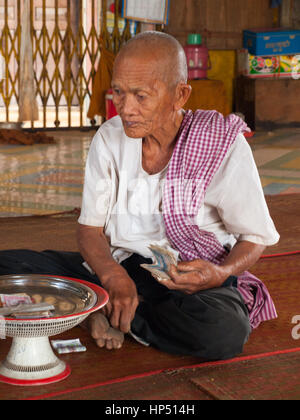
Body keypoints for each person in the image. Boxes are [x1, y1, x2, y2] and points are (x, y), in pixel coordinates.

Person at [0, 32, 280, 361]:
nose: (126, 108)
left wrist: (219, 274)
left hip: (187, 281)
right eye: (119, 92)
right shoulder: (110, 138)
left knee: (223, 330)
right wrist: (114, 277)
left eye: (141, 96)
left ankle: (108, 312)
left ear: (180, 95)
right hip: (115, 269)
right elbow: (90, 230)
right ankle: (105, 302)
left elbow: (254, 238)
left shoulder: (222, 146)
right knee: (8, 264)